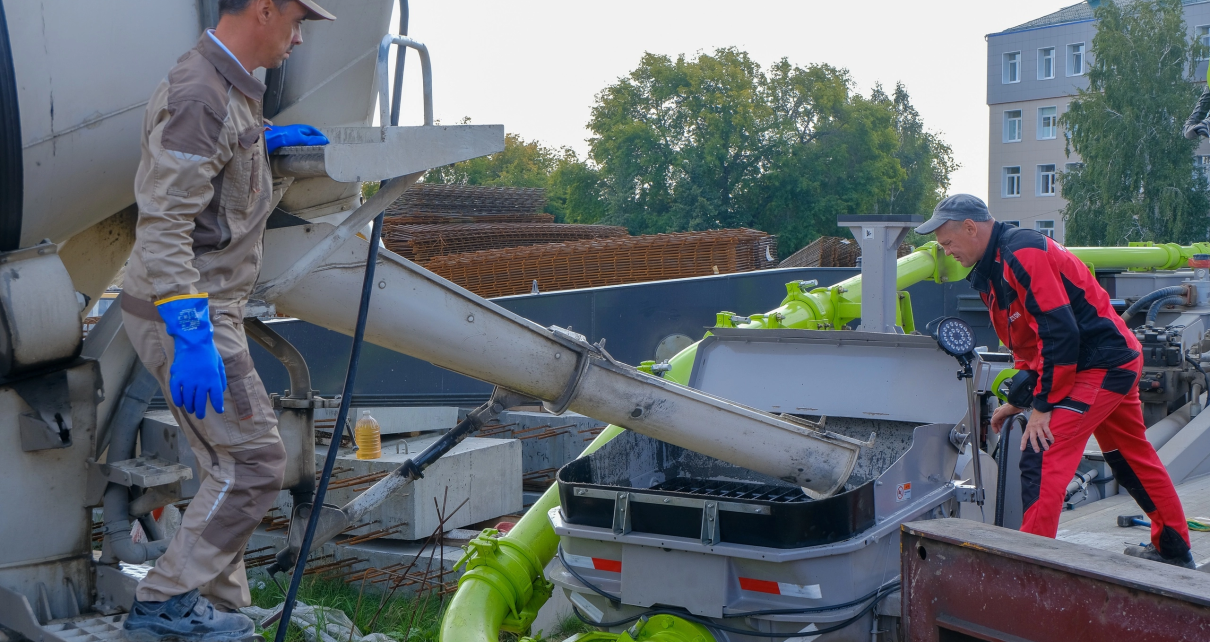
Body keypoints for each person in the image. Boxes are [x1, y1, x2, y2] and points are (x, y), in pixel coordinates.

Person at [119, 1, 335, 640]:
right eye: (296, 21)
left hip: (206, 307)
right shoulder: (203, 95)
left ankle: (212, 608)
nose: (298, 38)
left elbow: (208, 178)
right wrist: (189, 334)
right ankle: (163, 606)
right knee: (255, 464)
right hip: (188, 311)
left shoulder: (233, 88)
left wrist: (262, 145)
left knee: (229, 463)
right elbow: (162, 224)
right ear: (263, 8)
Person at [916, 194, 1195, 569]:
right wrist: (1023, 400)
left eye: (947, 243)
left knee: (1041, 449)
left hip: (1101, 364)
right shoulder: (993, 270)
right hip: (1101, 362)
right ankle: (1174, 548)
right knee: (1129, 458)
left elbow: (1058, 331)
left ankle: (1028, 567)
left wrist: (1044, 405)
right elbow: (1031, 341)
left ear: (971, 228)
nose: (945, 251)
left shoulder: (1021, 253)